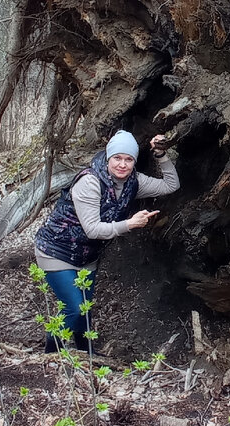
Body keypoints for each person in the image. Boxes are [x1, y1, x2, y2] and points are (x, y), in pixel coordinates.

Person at [33, 130, 179, 353]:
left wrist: (161, 154)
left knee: (85, 309)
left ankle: (87, 354)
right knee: (75, 308)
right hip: (55, 251)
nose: (122, 164)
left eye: (128, 159)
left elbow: (171, 185)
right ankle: (51, 355)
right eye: (117, 158)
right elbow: (92, 229)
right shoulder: (90, 181)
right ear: (108, 157)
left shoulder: (133, 182)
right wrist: (130, 224)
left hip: (87, 256)